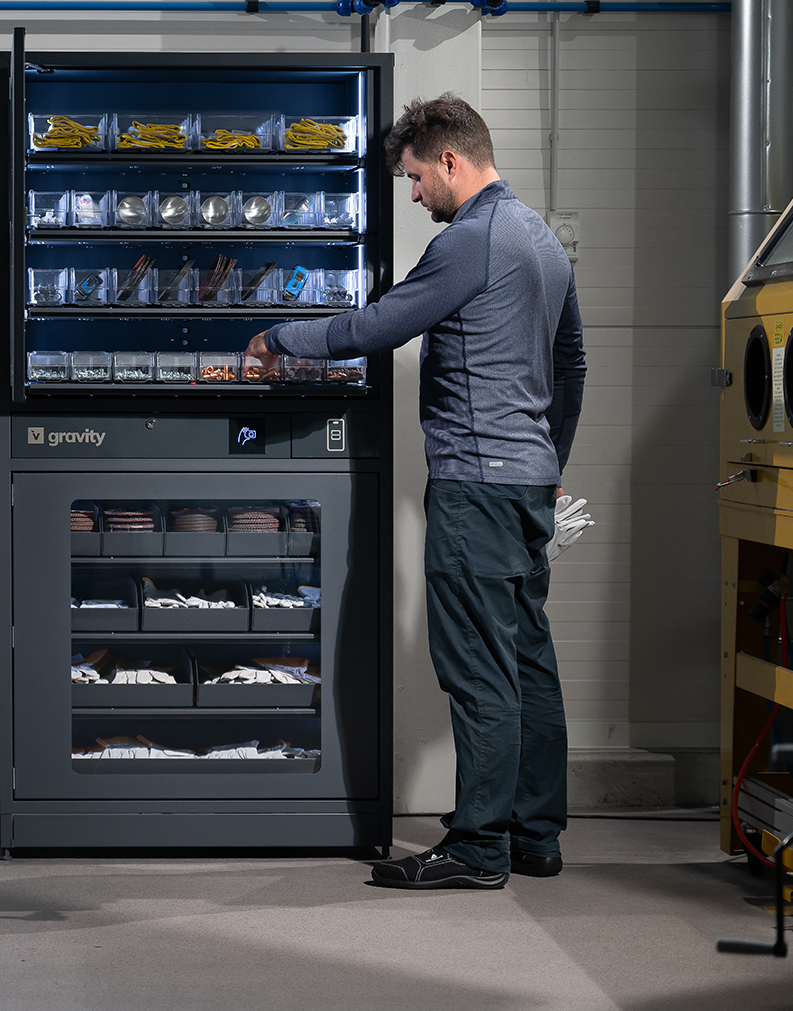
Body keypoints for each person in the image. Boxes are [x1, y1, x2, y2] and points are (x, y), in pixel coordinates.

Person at [248, 94, 585, 890]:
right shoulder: (541, 238)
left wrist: (278, 337)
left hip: (476, 484)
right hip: (529, 484)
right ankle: (534, 833)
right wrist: (552, 456)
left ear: (450, 162)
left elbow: (377, 328)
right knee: (526, 659)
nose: (413, 196)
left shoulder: (473, 241)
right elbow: (571, 367)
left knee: (477, 668)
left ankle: (477, 846)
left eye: (414, 179)